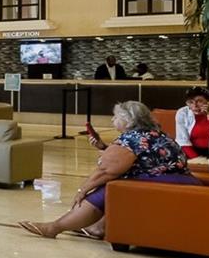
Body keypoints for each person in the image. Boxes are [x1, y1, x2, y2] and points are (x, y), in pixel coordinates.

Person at [20, 100, 198, 239]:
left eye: (115, 116)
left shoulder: (132, 138)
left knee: (104, 189)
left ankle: (54, 228)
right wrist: (103, 147)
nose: (112, 120)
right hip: (185, 180)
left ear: (128, 120)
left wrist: (83, 190)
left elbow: (106, 171)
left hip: (162, 183)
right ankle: (98, 227)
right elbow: (139, 159)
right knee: (117, 184)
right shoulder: (157, 134)